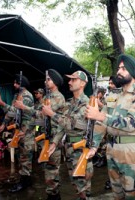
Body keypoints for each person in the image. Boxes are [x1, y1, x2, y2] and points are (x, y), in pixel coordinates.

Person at [85, 54, 135, 199]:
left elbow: (131, 123)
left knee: (131, 195)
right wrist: (94, 146)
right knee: (117, 194)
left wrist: (99, 115)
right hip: (112, 152)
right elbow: (100, 124)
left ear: (133, 73)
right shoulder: (113, 96)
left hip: (131, 155)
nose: (118, 72)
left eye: (123, 68)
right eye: (119, 68)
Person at [14, 69, 65, 200]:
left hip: (53, 138)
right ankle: (52, 195)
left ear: (56, 82)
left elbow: (42, 113)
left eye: (48, 79)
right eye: (46, 79)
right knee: (47, 171)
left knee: (52, 172)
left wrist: (24, 107)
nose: (45, 81)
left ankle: (54, 196)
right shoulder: (47, 98)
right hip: (45, 138)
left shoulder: (58, 97)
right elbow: (38, 118)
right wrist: (26, 130)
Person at [42, 70, 91, 200]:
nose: (69, 82)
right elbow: (62, 127)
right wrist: (54, 142)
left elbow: (72, 123)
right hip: (70, 148)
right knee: (76, 184)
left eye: (73, 79)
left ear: (82, 83)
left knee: (83, 187)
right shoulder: (70, 103)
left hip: (80, 149)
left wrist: (52, 114)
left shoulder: (86, 103)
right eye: (69, 79)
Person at [0, 73, 34, 193]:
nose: (14, 84)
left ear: (21, 83)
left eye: (16, 82)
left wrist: (2, 104)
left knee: (25, 157)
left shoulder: (27, 97)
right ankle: (24, 179)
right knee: (20, 156)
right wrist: (4, 124)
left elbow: (17, 111)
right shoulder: (17, 95)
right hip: (18, 130)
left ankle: (25, 182)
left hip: (26, 131)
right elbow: (11, 112)